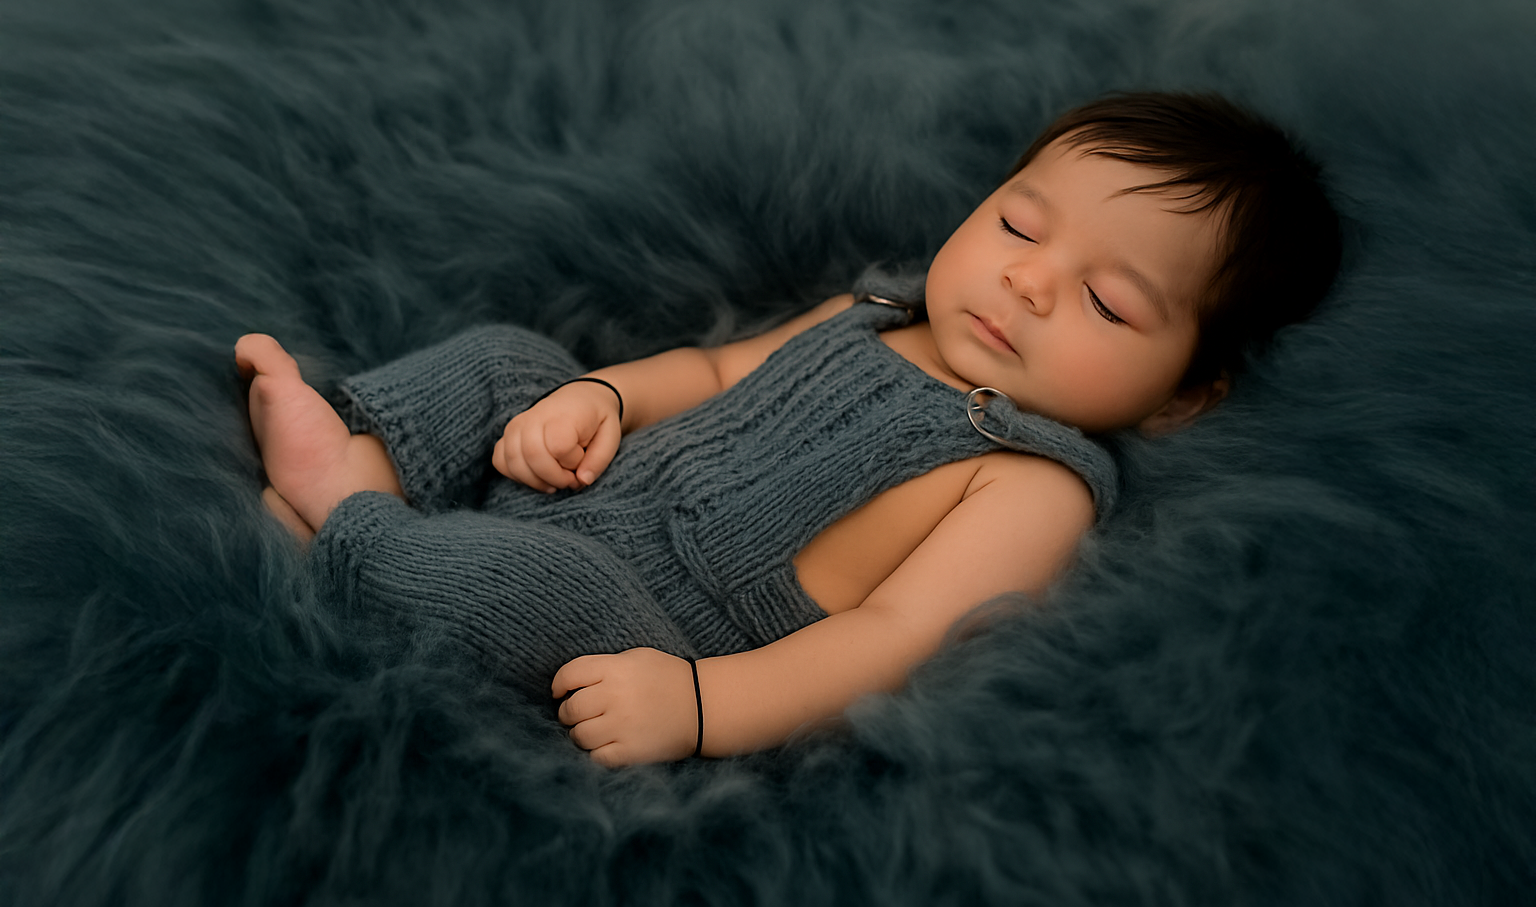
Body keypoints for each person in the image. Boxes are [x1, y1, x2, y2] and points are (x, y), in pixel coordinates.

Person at [235, 92, 1341, 767]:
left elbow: (896, 637)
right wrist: (605, 402)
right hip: (595, 476)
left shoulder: (1032, 482)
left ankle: (347, 514)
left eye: (1108, 302)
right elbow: (715, 367)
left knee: (532, 591)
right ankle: (379, 464)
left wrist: (706, 705)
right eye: (1018, 221)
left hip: (655, 623)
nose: (1028, 282)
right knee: (512, 359)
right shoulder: (879, 312)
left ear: (1184, 394)